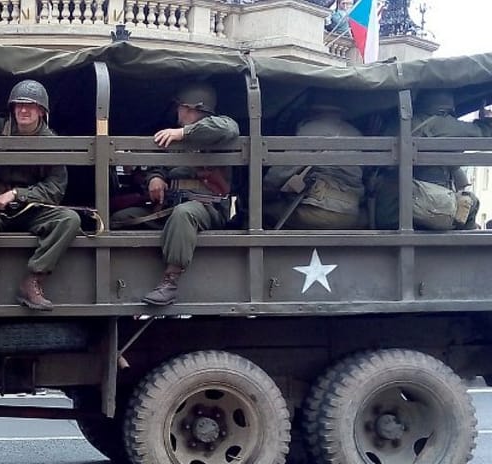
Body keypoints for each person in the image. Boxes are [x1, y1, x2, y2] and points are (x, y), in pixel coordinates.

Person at [0, 79, 80, 311]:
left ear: (41, 111)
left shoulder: (51, 142)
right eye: (19, 105)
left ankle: (33, 281)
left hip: (32, 209)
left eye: (31, 106)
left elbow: (55, 188)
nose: (23, 110)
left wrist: (16, 194)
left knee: (69, 219)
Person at [137, 82, 240, 306]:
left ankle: (170, 282)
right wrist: (155, 177)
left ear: (191, 108)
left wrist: (184, 133)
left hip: (207, 207)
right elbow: (159, 165)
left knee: (185, 214)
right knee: (122, 216)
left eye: (180, 107)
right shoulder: (174, 139)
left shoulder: (218, 128)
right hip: (171, 205)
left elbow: (229, 128)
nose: (177, 112)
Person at [375, 89, 492, 230]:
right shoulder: (446, 125)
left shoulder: (394, 124)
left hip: (388, 210)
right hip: (428, 210)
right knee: (471, 203)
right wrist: (485, 120)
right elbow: (485, 133)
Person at [263, 95, 366, 229]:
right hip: (351, 214)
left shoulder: (309, 129)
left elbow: (281, 172)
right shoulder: (356, 133)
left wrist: (263, 191)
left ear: (313, 109)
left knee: (262, 212)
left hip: (317, 210)